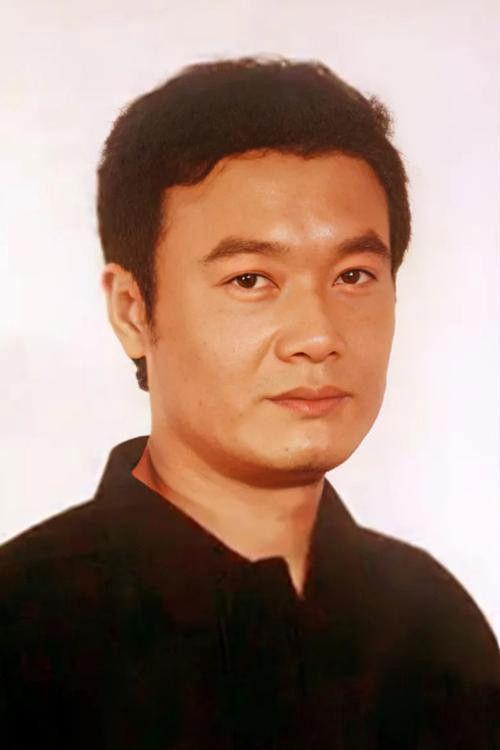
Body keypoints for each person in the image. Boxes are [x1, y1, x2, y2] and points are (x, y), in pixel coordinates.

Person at [0, 57, 498, 750]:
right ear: (133, 309)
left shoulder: (436, 626)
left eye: (354, 275)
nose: (317, 336)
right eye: (251, 280)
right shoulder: (21, 629)